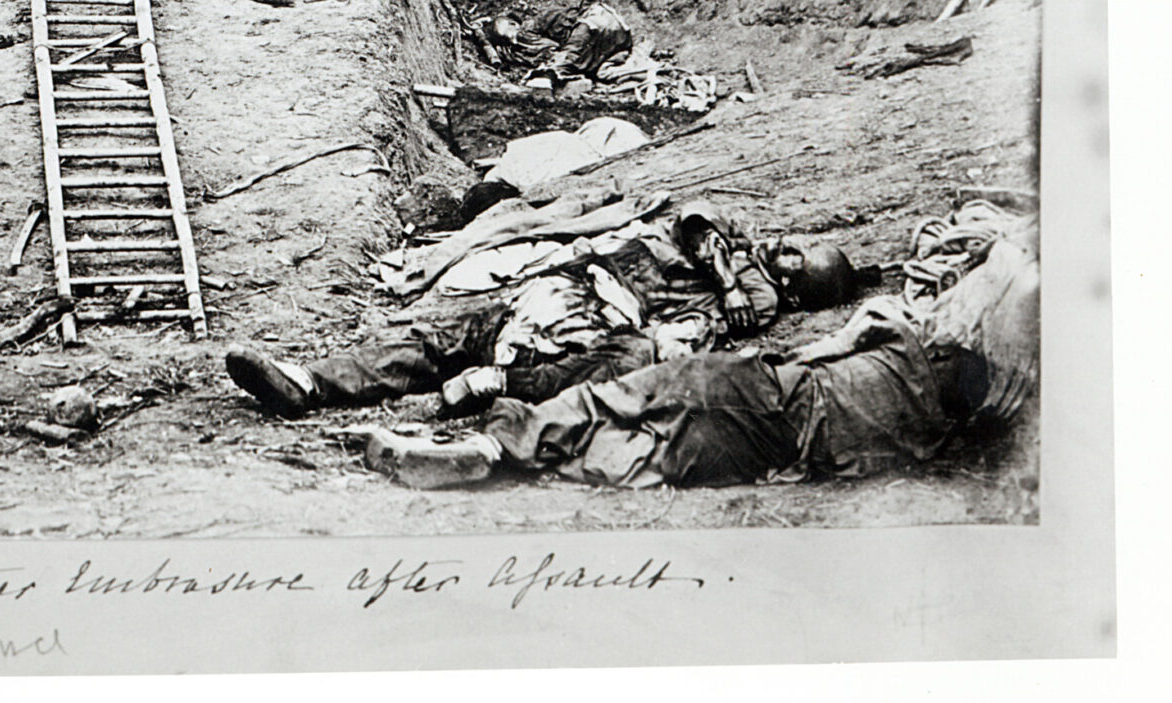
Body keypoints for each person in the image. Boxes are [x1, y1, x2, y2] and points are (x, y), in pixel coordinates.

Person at [359, 235, 1036, 490]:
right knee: (640, 459)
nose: (786, 251)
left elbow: (842, 336)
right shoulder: (924, 439)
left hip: (757, 386)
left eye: (800, 261)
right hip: (762, 457)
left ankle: (491, 441)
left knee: (612, 398)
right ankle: (505, 457)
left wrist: (809, 345)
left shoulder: (901, 336)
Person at [225, 199, 858, 419]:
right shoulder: (732, 262)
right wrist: (728, 281)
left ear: (796, 288)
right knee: (436, 336)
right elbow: (698, 222)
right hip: (556, 286)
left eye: (803, 260)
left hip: (587, 318)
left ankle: (495, 386)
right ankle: (308, 383)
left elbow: (677, 337)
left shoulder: (756, 294)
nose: (790, 249)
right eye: (801, 245)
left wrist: (736, 291)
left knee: (524, 358)